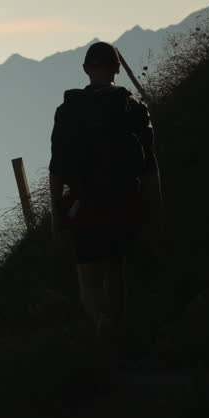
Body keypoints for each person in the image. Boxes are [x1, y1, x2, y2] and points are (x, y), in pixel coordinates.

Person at [48, 41, 164, 357]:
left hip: (84, 203)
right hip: (125, 199)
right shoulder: (133, 108)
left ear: (86, 69)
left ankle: (101, 323)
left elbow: (57, 167)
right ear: (116, 68)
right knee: (116, 269)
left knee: (87, 277)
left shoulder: (68, 110)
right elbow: (149, 165)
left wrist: (57, 213)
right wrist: (156, 209)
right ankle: (121, 332)